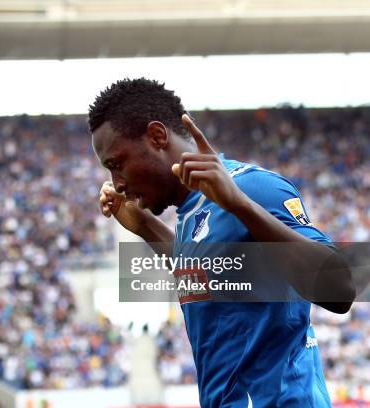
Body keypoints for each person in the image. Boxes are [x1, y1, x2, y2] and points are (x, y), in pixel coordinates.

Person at [88, 78, 355, 407]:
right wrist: (145, 226)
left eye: (117, 164)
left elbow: (341, 290)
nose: (116, 183)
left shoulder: (252, 188)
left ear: (157, 137)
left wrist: (240, 204)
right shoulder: (192, 211)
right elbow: (215, 276)